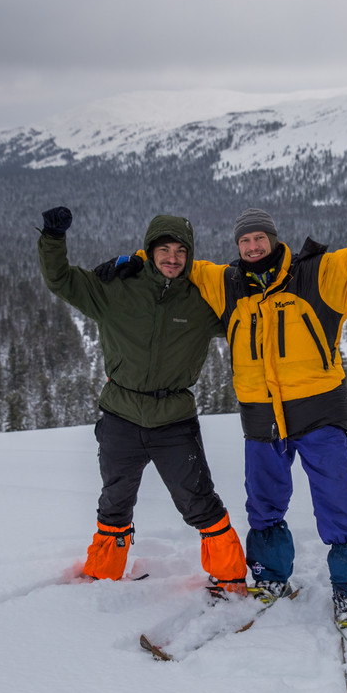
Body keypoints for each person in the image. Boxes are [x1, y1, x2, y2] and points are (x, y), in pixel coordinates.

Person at [98, 191, 347, 626]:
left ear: (274, 240)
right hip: (260, 417)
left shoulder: (317, 276)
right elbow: (176, 262)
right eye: (245, 241)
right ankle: (270, 575)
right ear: (237, 247)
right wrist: (133, 261)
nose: (253, 247)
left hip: (319, 411)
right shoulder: (227, 284)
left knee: (337, 501)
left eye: (260, 238)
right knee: (265, 504)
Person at [37, 206, 248, 593]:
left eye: (181, 252)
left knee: (199, 503)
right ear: (149, 251)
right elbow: (61, 280)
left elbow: (248, 313)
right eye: (164, 250)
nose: (172, 258)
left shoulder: (201, 301)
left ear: (190, 255)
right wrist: (53, 238)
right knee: (114, 503)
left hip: (173, 421)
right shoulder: (116, 289)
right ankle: (103, 576)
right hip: (121, 416)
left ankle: (231, 578)